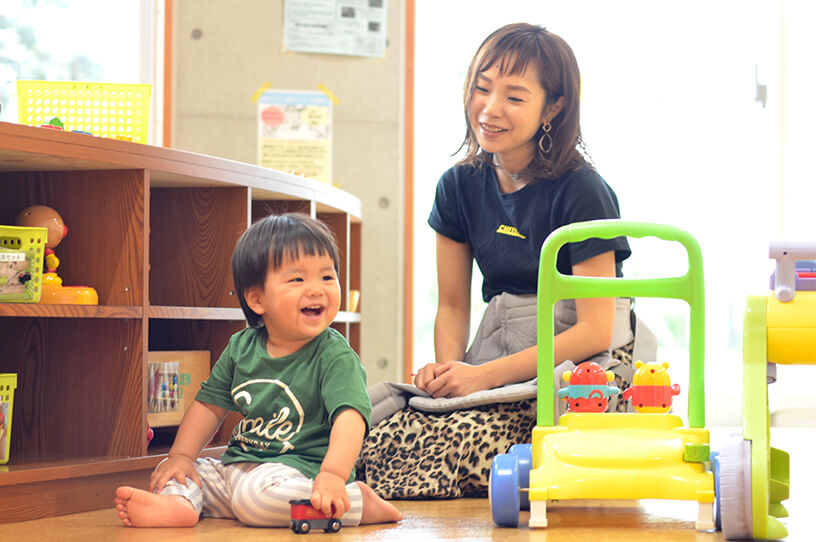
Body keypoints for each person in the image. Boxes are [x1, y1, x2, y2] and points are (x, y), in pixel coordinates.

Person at [357, 23, 634, 499]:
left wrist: (481, 378)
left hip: (584, 365)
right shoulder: (457, 186)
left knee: (474, 449)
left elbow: (595, 330)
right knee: (371, 439)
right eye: (481, 89)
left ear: (554, 106)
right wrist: (449, 376)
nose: (489, 109)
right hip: (501, 348)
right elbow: (452, 306)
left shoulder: (583, 190)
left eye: (514, 97)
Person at [115, 213, 402, 528]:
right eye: (298, 279)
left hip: (301, 472)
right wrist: (181, 456)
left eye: (326, 277)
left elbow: (351, 419)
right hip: (239, 466)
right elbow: (209, 406)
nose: (317, 290)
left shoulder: (334, 355)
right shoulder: (241, 347)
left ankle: (355, 502)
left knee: (255, 501)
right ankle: (178, 506)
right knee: (184, 474)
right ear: (256, 299)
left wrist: (332, 476)